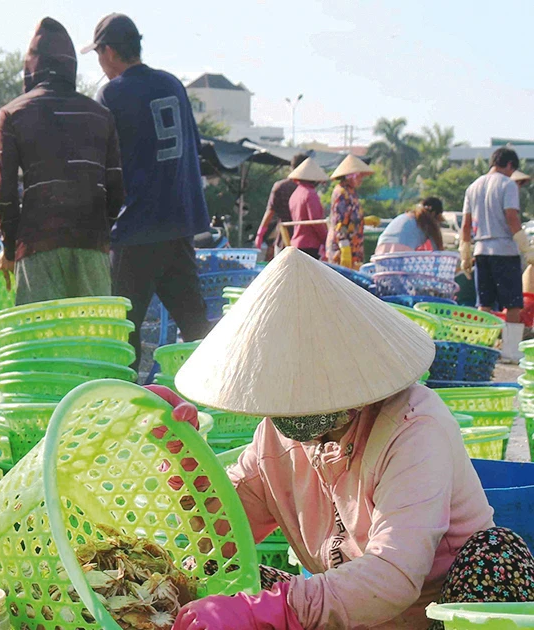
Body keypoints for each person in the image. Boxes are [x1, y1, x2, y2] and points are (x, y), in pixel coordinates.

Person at [167, 247, 534, 630]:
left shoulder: (414, 427)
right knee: (205, 575)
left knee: (496, 551)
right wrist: (181, 454)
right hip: (351, 616)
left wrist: (273, 612)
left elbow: (394, 575)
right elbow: (219, 532)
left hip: (431, 614)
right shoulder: (273, 440)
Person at [87, 12, 213, 351]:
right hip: (179, 224)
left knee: (122, 334)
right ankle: (215, 400)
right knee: (196, 327)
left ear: (109, 51)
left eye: (99, 55)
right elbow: (194, 149)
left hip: (137, 228)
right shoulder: (171, 83)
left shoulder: (112, 94)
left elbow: (102, 168)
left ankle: (123, 400)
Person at [0, 17, 124, 305]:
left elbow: (3, 192)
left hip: (38, 246)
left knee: (42, 341)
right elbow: (116, 188)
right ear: (70, 65)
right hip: (91, 245)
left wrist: (10, 249)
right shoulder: (100, 116)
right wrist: (99, 234)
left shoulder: (12, 114)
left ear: (31, 66)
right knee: (94, 340)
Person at [461, 147, 528, 362]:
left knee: (484, 304)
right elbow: (511, 217)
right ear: (509, 165)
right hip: (504, 251)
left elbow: (465, 225)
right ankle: (510, 352)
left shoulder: (473, 186)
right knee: (513, 304)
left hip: (481, 251)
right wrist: (526, 247)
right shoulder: (507, 184)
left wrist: (465, 252)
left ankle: (482, 349)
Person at [255, 153, 309, 260]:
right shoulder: (307, 190)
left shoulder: (280, 186)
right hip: (303, 241)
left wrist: (260, 234)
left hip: (283, 238)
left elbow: (270, 212)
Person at [325, 154, 373, 269]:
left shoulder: (351, 192)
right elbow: (339, 222)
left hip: (355, 247)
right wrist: (344, 245)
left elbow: (350, 217)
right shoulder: (341, 192)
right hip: (342, 248)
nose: (361, 179)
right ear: (350, 176)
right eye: (359, 176)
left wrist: (363, 220)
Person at [284, 157, 329, 259]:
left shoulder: (295, 194)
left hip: (296, 243)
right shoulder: (310, 194)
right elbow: (316, 222)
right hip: (310, 245)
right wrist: (326, 239)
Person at [376, 197, 446, 255]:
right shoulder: (428, 223)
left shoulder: (405, 216)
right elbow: (438, 252)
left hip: (380, 250)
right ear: (434, 214)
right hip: (402, 253)